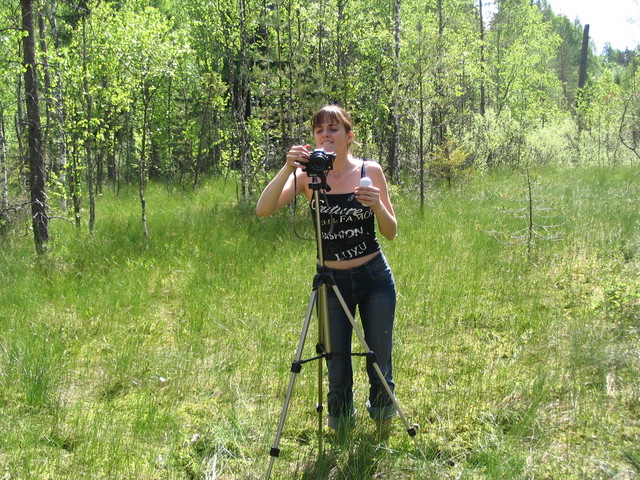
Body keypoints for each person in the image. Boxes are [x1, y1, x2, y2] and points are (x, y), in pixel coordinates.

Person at [256, 104, 398, 430]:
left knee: (380, 354)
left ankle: (383, 417)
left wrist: (377, 205)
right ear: (314, 139)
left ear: (349, 137)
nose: (326, 134)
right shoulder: (307, 176)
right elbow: (263, 210)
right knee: (336, 360)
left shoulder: (369, 170)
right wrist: (287, 168)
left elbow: (391, 232)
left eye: (333, 129)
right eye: (319, 130)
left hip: (374, 276)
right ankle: (341, 423)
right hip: (331, 280)